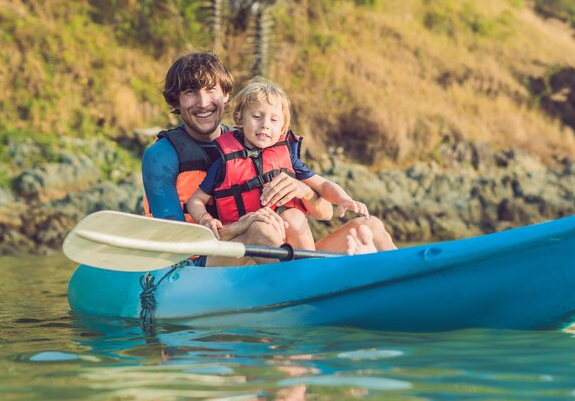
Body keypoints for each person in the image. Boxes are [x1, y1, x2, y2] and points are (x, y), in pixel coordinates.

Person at [142, 51, 396, 266]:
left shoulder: (255, 138)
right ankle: (315, 292)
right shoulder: (162, 155)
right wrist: (241, 226)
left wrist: (303, 191)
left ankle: (412, 284)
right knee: (258, 230)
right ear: (176, 99)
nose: (203, 102)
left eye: (211, 90)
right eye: (190, 92)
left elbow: (326, 213)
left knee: (370, 225)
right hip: (199, 265)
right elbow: (174, 241)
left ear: (227, 95)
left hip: (275, 258)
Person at [186, 79, 371, 253]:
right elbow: (196, 200)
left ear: (282, 128)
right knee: (265, 226)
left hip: (285, 234)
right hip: (246, 241)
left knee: (294, 216)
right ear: (240, 119)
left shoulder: (288, 157)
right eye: (257, 116)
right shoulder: (224, 162)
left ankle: (310, 268)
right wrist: (205, 219)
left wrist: (343, 198)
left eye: (274, 120)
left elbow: (322, 185)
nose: (265, 125)